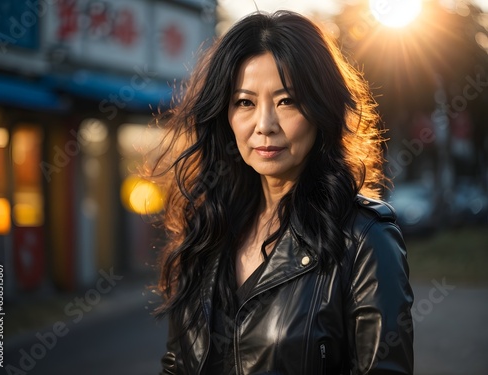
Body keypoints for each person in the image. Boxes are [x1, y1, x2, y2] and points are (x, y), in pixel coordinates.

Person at [151, 10, 414, 375]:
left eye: (286, 101)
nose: (264, 125)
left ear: (321, 108)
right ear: (225, 115)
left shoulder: (365, 240)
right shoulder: (209, 229)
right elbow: (176, 365)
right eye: (245, 102)